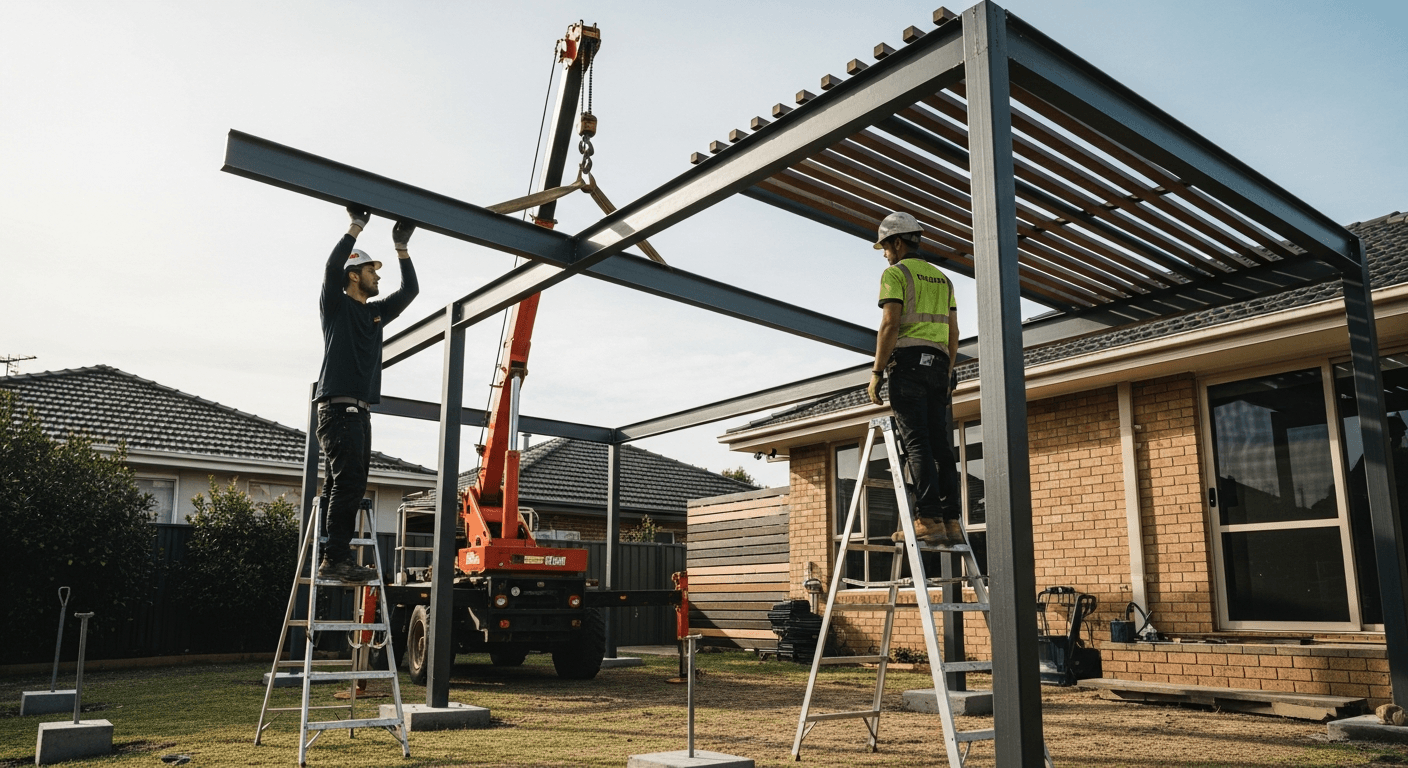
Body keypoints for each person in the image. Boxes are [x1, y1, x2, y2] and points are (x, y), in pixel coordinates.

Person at [314, 206, 420, 582]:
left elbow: (411, 290)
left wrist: (401, 247)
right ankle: (335, 559)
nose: (377, 276)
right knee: (350, 484)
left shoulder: (375, 313)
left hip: (360, 413)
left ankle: (332, 554)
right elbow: (330, 269)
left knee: (344, 484)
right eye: (372, 270)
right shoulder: (336, 306)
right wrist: (356, 226)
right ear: (354, 274)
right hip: (339, 411)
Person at [865, 212, 963, 545]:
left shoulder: (896, 274)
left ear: (897, 241)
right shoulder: (942, 279)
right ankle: (951, 520)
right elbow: (954, 332)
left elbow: (890, 325)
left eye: (885, 246)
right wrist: (947, 372)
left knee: (917, 443)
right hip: (939, 367)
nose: (884, 253)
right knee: (940, 445)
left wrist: (877, 373)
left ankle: (928, 519)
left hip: (907, 366)